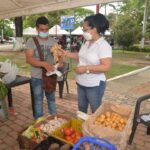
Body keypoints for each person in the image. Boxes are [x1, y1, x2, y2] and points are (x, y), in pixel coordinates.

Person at [62, 13, 112, 113]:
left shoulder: (103, 45)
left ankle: (94, 129)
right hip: (81, 82)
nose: (83, 32)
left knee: (96, 111)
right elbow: (81, 56)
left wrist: (85, 69)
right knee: (81, 108)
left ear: (95, 28)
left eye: (85, 30)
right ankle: (82, 126)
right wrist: (66, 53)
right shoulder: (87, 42)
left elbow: (106, 67)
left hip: (94, 85)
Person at [25, 16, 57, 119]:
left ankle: (55, 121)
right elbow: (29, 59)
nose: (45, 31)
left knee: (51, 100)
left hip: (50, 76)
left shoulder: (53, 41)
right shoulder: (31, 41)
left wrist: (59, 61)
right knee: (38, 101)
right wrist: (44, 64)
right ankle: (38, 123)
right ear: (37, 29)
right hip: (37, 77)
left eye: (46, 29)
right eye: (42, 29)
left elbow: (58, 57)